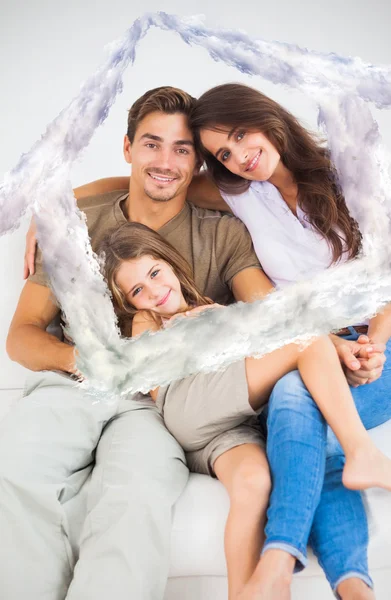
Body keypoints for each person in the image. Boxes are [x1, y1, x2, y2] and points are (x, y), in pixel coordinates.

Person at [36, 83, 391, 599]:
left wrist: (374, 340)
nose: (239, 157)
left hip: (368, 342)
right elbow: (154, 181)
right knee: (300, 377)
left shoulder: (351, 173)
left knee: (274, 452)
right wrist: (57, 208)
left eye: (240, 137)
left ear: (267, 118)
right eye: (222, 153)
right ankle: (317, 546)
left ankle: (276, 573)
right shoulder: (237, 193)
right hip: (278, 365)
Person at [3, 86, 277, 600]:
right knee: (14, 466)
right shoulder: (77, 227)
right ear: (128, 147)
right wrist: (83, 361)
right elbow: (20, 337)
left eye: (182, 149)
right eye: (152, 144)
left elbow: (270, 314)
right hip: (75, 383)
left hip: (158, 406)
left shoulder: (225, 233)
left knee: (133, 496)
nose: (166, 162)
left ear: (197, 163)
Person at [100, 221, 391, 599]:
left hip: (228, 426)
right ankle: (361, 451)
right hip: (189, 405)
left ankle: (245, 592)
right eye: (137, 290)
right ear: (129, 303)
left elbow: (254, 338)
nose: (154, 291)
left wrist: (224, 321)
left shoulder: (209, 307)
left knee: (254, 483)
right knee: (306, 341)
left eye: (155, 273)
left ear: (171, 264)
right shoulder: (149, 322)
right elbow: (153, 364)